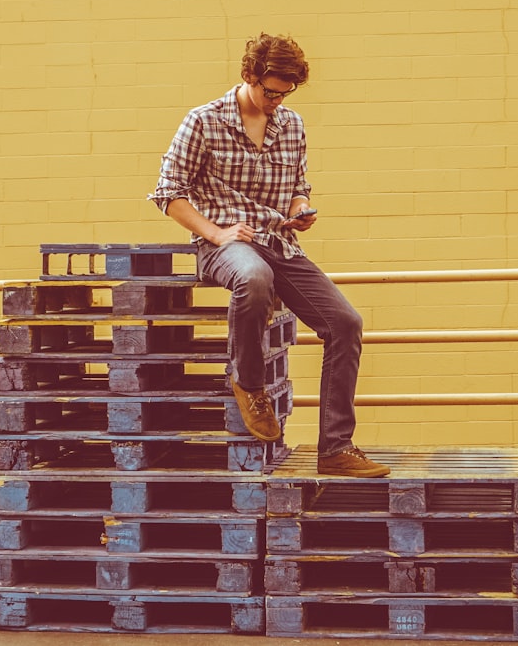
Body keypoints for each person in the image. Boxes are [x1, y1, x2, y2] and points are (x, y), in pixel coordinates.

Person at [148, 32, 390, 478]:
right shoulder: (203, 121)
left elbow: (298, 185)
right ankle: (250, 384)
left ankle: (336, 448)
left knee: (346, 323)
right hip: (228, 245)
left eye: (286, 92)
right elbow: (168, 194)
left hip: (281, 241)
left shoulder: (292, 125)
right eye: (270, 91)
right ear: (248, 76)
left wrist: (299, 209)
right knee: (254, 277)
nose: (277, 100)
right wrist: (217, 233)